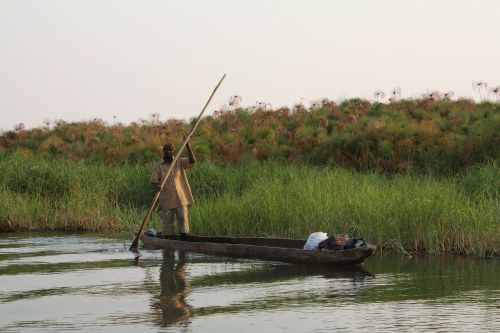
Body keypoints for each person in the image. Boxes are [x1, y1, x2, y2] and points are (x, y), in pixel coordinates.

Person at [150, 139, 196, 237]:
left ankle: (184, 241)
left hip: (180, 198)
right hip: (167, 199)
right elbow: (154, 181)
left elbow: (192, 161)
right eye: (165, 150)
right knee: (168, 226)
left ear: (173, 151)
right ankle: (168, 245)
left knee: (183, 220)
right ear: (163, 152)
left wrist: (187, 146)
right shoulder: (158, 166)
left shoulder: (179, 161)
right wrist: (157, 187)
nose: (167, 152)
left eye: (170, 150)